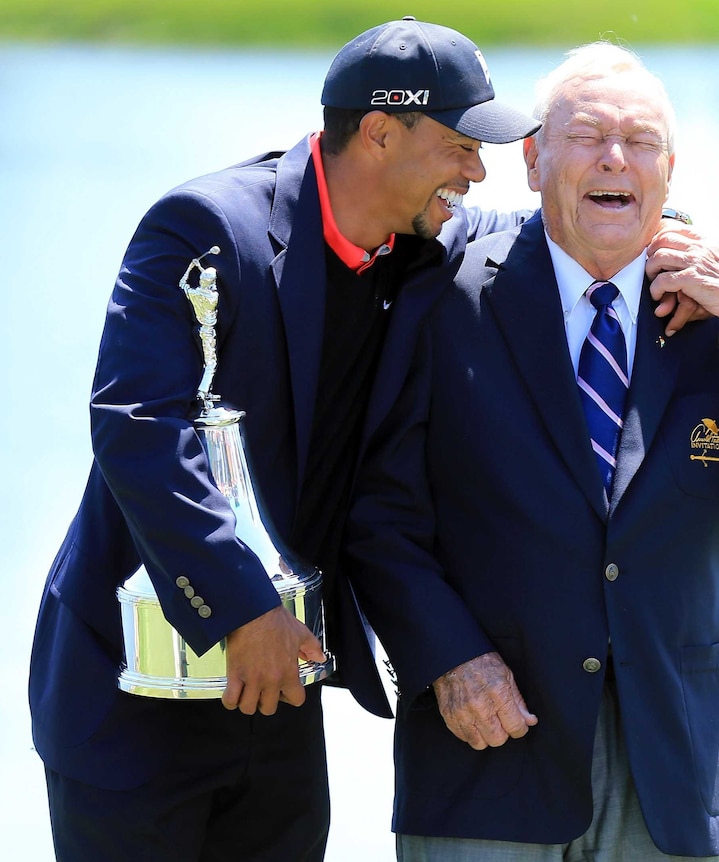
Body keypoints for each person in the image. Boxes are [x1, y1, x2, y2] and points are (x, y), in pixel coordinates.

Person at [27, 17, 543, 862]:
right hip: (129, 695)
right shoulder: (203, 227)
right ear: (379, 133)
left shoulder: (415, 239)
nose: (476, 172)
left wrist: (660, 223)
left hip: (276, 697)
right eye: (459, 144)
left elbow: (512, 232)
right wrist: (243, 606)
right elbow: (137, 422)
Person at [346, 42, 719, 861]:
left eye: (640, 141)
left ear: (669, 171)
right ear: (534, 160)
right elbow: (379, 515)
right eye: (588, 137)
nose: (616, 157)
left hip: (669, 771)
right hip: (486, 753)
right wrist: (449, 659)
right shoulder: (443, 289)